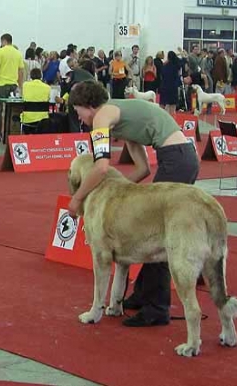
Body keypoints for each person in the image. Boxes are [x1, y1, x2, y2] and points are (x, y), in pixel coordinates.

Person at [67, 80, 199, 327]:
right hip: (181, 156)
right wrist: (120, 194)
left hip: (176, 158)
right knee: (152, 231)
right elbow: (143, 168)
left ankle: (157, 308)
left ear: (88, 106)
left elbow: (102, 167)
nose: (79, 118)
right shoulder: (120, 119)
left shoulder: (101, 118)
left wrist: (77, 199)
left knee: (159, 235)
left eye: (78, 112)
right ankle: (141, 295)